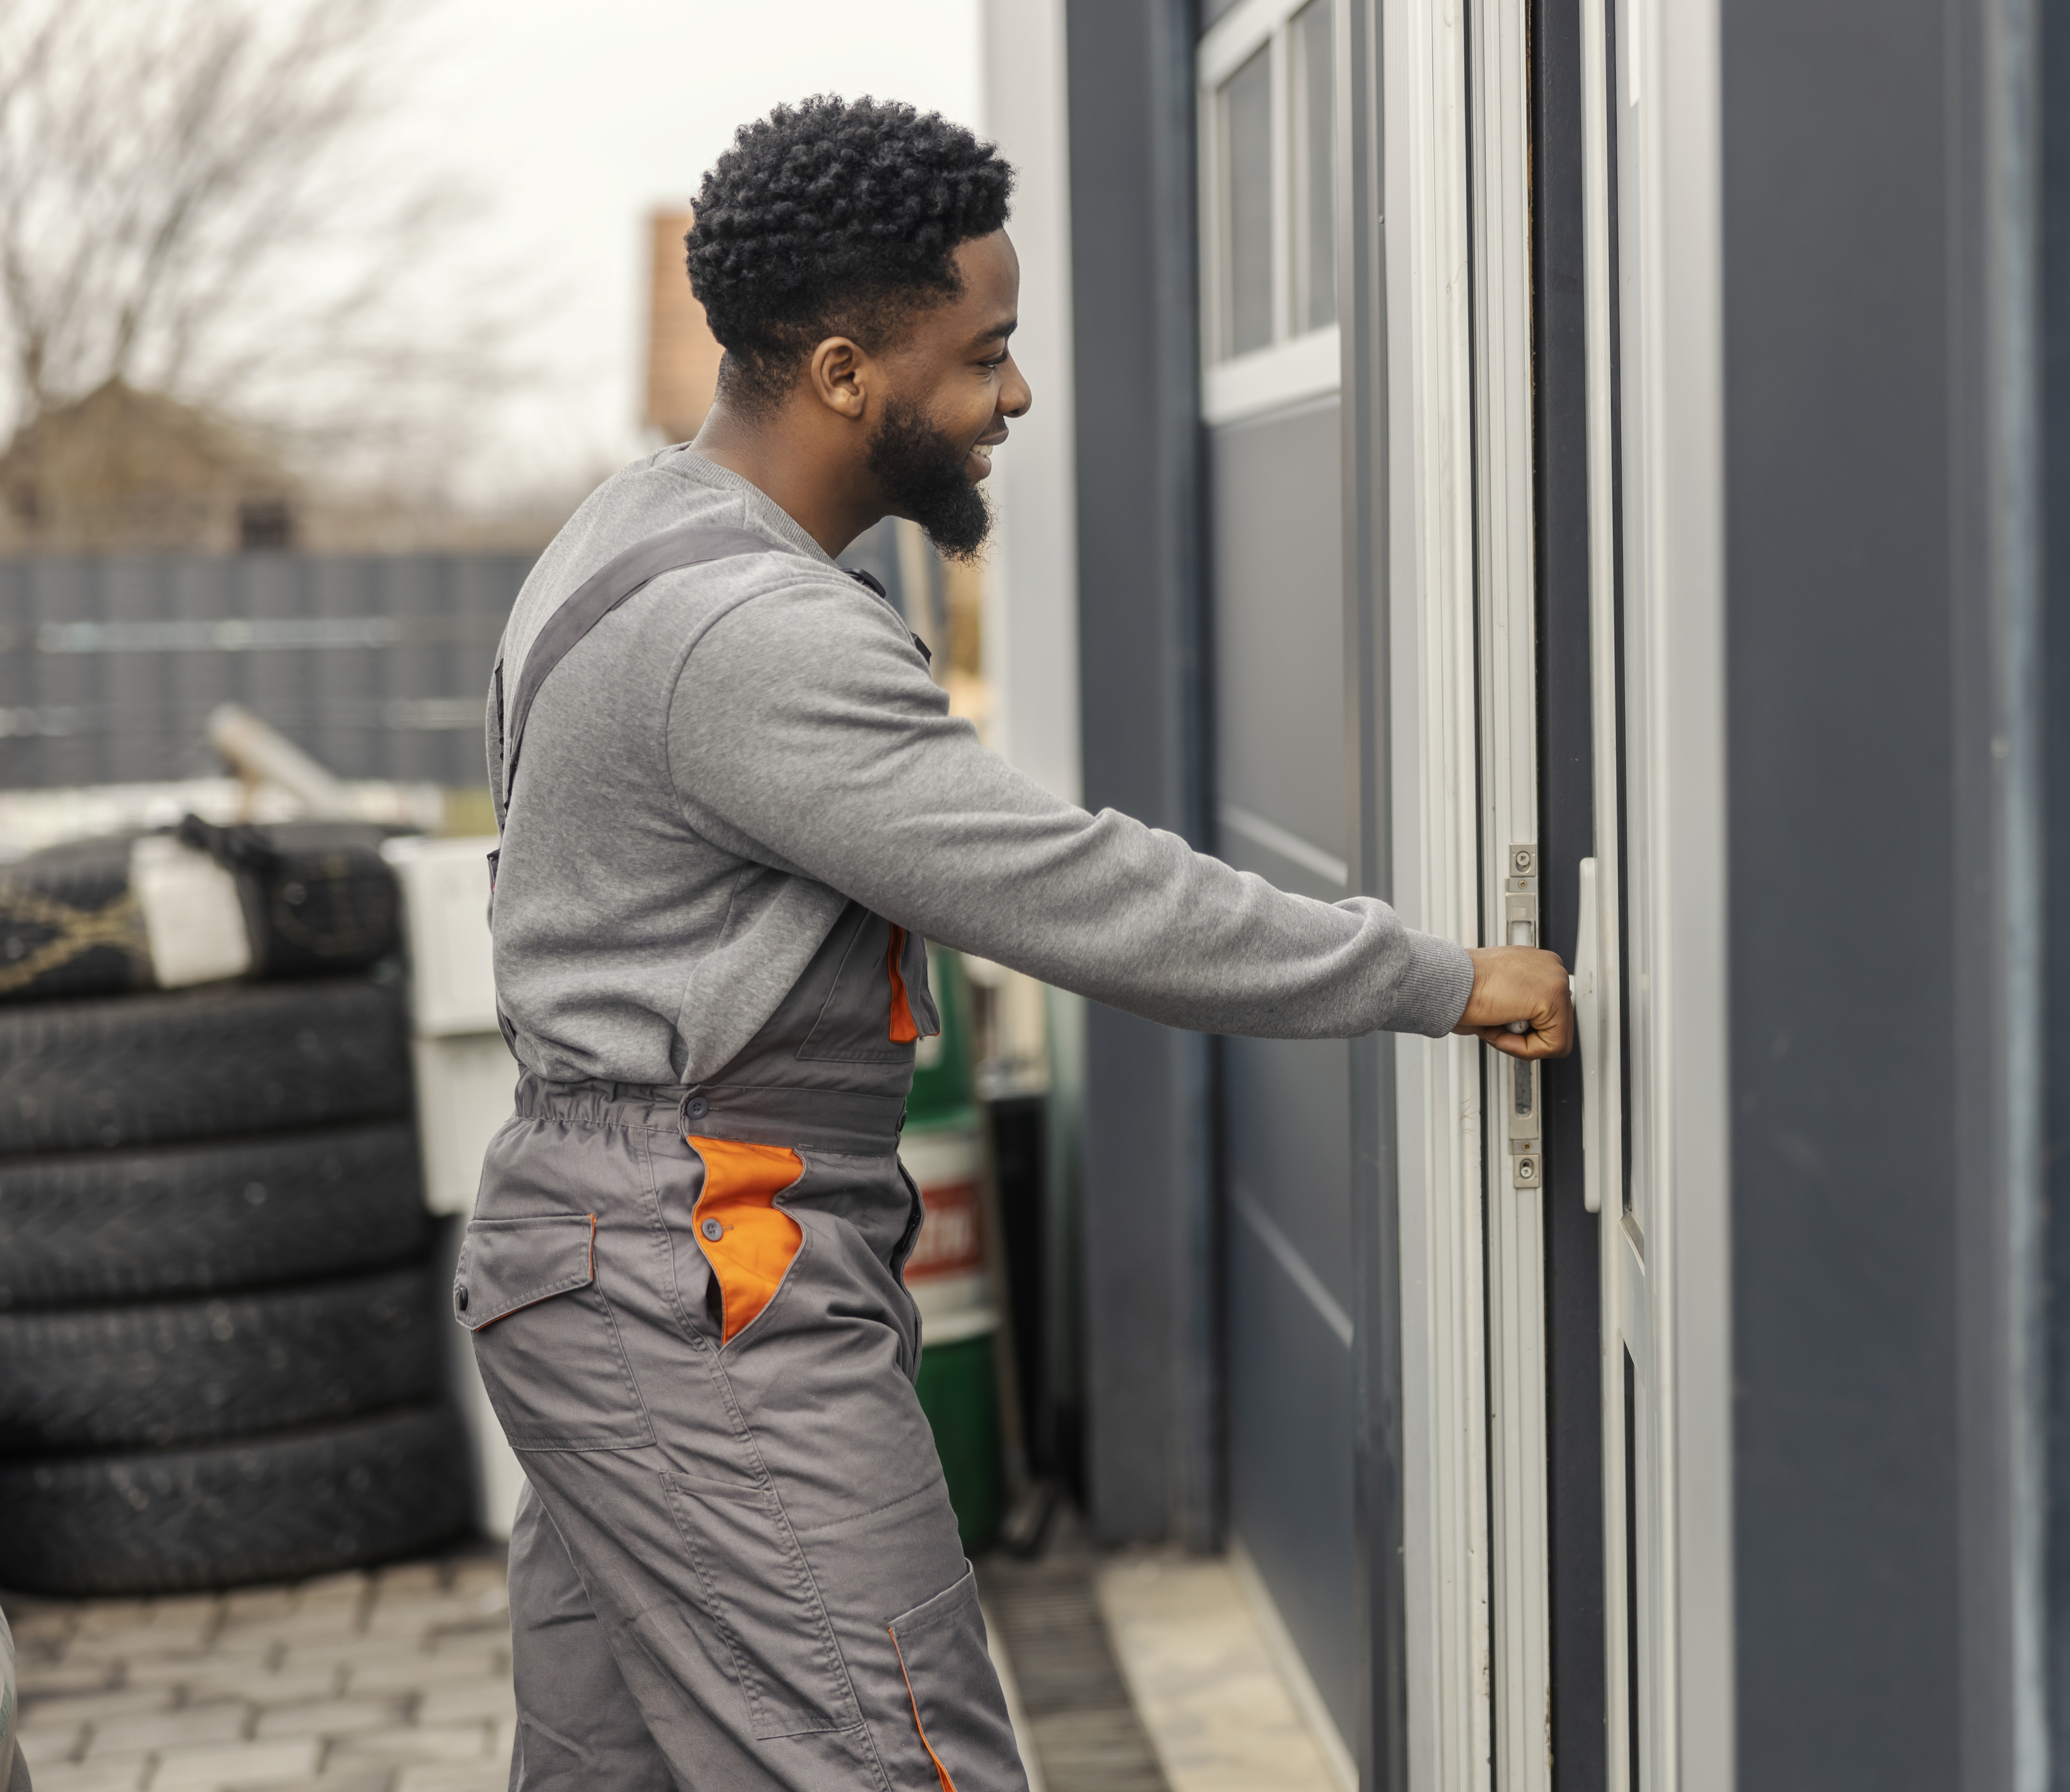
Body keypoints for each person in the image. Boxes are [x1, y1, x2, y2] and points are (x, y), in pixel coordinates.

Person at [460, 95, 1571, 1792]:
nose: (1016, 397)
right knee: (905, 1756)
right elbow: (1076, 889)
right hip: (704, 1269)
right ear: (846, 375)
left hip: (601, 1251)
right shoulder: (756, 633)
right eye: (984, 357)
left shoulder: (624, 535)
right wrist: (1438, 975)